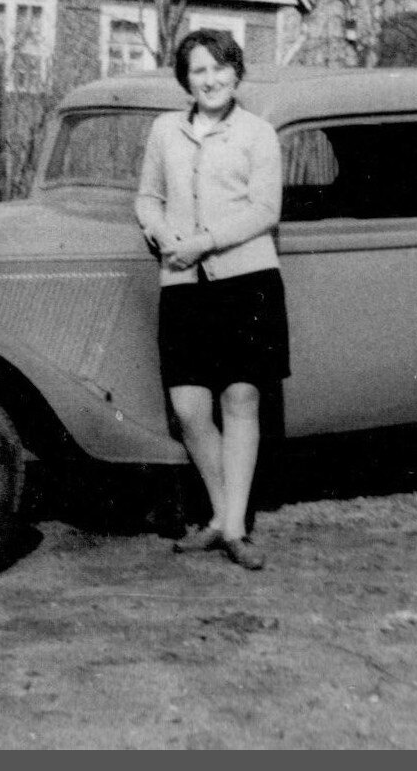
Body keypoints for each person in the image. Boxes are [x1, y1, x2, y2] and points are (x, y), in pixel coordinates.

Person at [135, 28, 288, 571]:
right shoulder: (165, 130)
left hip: (247, 281)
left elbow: (265, 210)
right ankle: (222, 516)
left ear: (237, 74)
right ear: (186, 79)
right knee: (189, 409)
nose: (211, 79)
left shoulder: (258, 134)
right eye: (199, 70)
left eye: (220, 68)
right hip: (182, 282)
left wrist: (203, 242)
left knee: (241, 400)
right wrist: (163, 236)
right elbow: (147, 198)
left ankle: (235, 527)